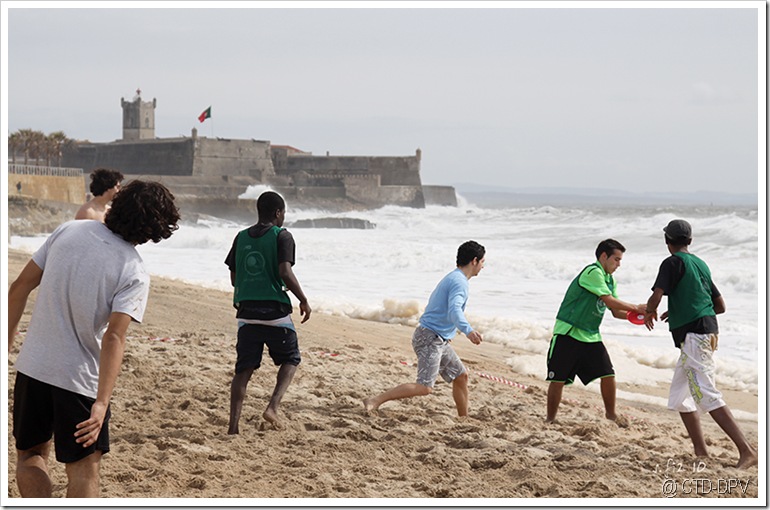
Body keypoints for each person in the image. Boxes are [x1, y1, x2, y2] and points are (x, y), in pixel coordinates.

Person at [8, 180, 180, 498]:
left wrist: (6, 342)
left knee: (30, 456)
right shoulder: (133, 270)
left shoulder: (68, 231)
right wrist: (101, 402)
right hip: (78, 382)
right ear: (155, 231)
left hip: (32, 368)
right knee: (84, 471)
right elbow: (114, 337)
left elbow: (19, 288)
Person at [643, 219, 757, 469]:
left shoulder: (671, 262)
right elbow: (720, 306)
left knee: (705, 392)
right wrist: (683, 310)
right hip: (705, 332)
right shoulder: (701, 264)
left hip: (695, 337)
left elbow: (657, 294)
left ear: (667, 242)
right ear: (690, 241)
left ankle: (747, 451)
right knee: (681, 394)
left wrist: (649, 311)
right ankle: (701, 452)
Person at [363, 241, 485, 417]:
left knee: (461, 376)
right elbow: (454, 310)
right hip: (430, 338)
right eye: (482, 262)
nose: (483, 267)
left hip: (437, 338)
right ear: (474, 261)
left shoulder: (454, 278)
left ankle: (463, 418)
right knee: (425, 387)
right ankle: (375, 400)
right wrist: (468, 331)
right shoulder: (459, 282)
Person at [224, 191, 311, 434]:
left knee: (243, 370)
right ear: (278, 213)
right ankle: (272, 407)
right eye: (283, 213)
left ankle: (233, 427)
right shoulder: (282, 236)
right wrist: (303, 299)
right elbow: (284, 271)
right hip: (275, 312)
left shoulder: (241, 237)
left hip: (246, 311)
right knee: (291, 358)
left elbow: (234, 276)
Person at [546, 239, 646, 424]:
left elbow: (616, 312)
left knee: (608, 374)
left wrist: (640, 317)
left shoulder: (610, 280)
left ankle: (611, 415)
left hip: (591, 334)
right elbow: (609, 301)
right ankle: (550, 419)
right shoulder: (592, 272)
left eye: (620, 260)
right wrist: (637, 307)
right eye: (616, 259)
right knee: (558, 379)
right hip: (569, 331)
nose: (619, 264)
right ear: (603, 256)